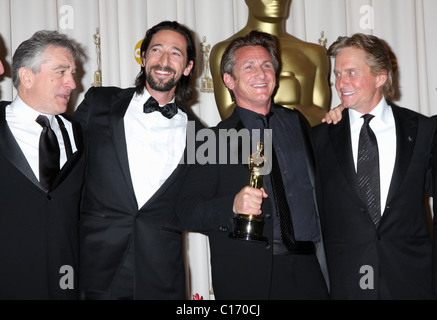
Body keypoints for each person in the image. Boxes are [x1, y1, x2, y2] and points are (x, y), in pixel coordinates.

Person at [178, 30, 329, 299]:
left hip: (310, 271)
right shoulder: (210, 140)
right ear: (228, 80)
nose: (261, 73)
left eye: (267, 65)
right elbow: (185, 210)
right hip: (248, 279)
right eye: (249, 66)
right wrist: (231, 206)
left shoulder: (299, 123)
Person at [74, 21, 204, 300]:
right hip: (97, 269)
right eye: (156, 50)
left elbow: (204, 203)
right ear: (143, 57)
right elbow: (63, 165)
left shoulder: (202, 136)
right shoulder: (99, 102)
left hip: (162, 274)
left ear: (188, 67)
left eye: (176, 53)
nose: (164, 61)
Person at [312, 33, 437, 299]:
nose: (341, 83)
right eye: (337, 74)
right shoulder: (320, 137)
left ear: (380, 76)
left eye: (351, 73)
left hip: (411, 278)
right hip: (347, 281)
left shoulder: (424, 130)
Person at [0, 30, 84, 299]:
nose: (72, 83)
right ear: (26, 76)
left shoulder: (82, 134)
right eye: (61, 71)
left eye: (73, 72)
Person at [209, 0, 331, 126]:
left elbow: (322, 115)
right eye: (249, 67)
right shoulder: (223, 51)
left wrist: (293, 109)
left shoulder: (314, 53)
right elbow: (229, 115)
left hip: (301, 142)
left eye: (266, 66)